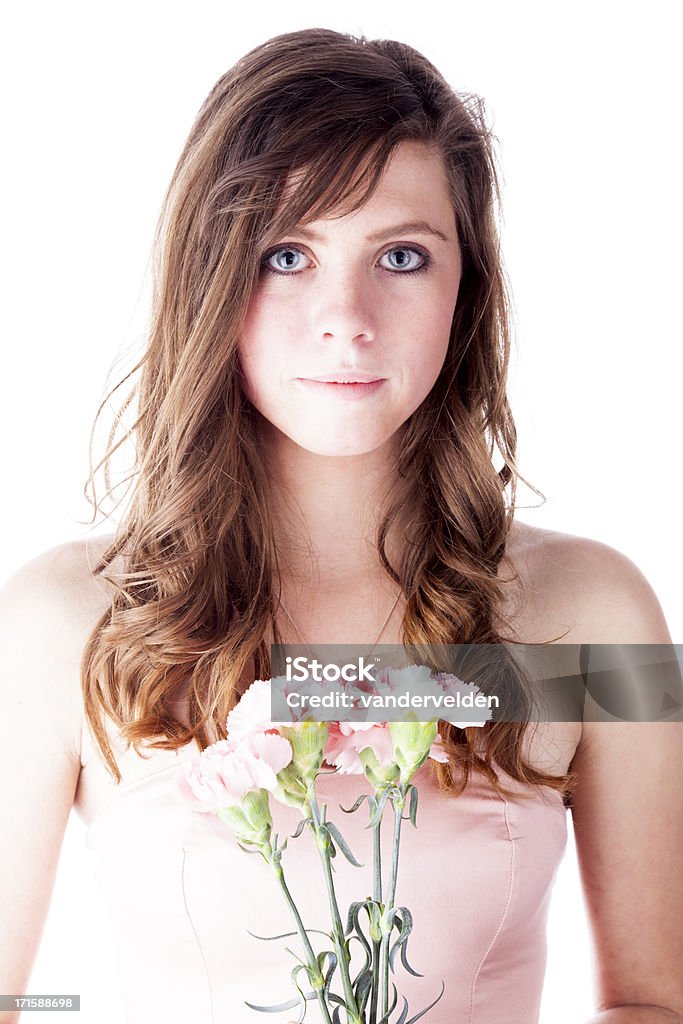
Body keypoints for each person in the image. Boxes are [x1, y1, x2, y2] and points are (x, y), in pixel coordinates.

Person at [1, 26, 681, 1024]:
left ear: (467, 288)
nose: (346, 316)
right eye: (286, 254)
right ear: (209, 277)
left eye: (400, 256)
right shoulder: (59, 624)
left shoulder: (600, 616)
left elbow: (652, 998)